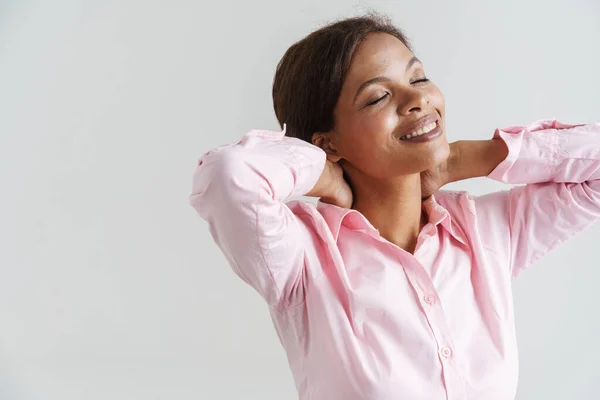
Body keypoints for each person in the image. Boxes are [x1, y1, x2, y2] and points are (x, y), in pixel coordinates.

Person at [189, 13, 600, 400]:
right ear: (328, 141)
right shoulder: (301, 258)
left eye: (418, 78)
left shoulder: (486, 231)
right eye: (378, 97)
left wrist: (469, 158)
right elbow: (229, 176)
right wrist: (321, 172)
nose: (415, 99)